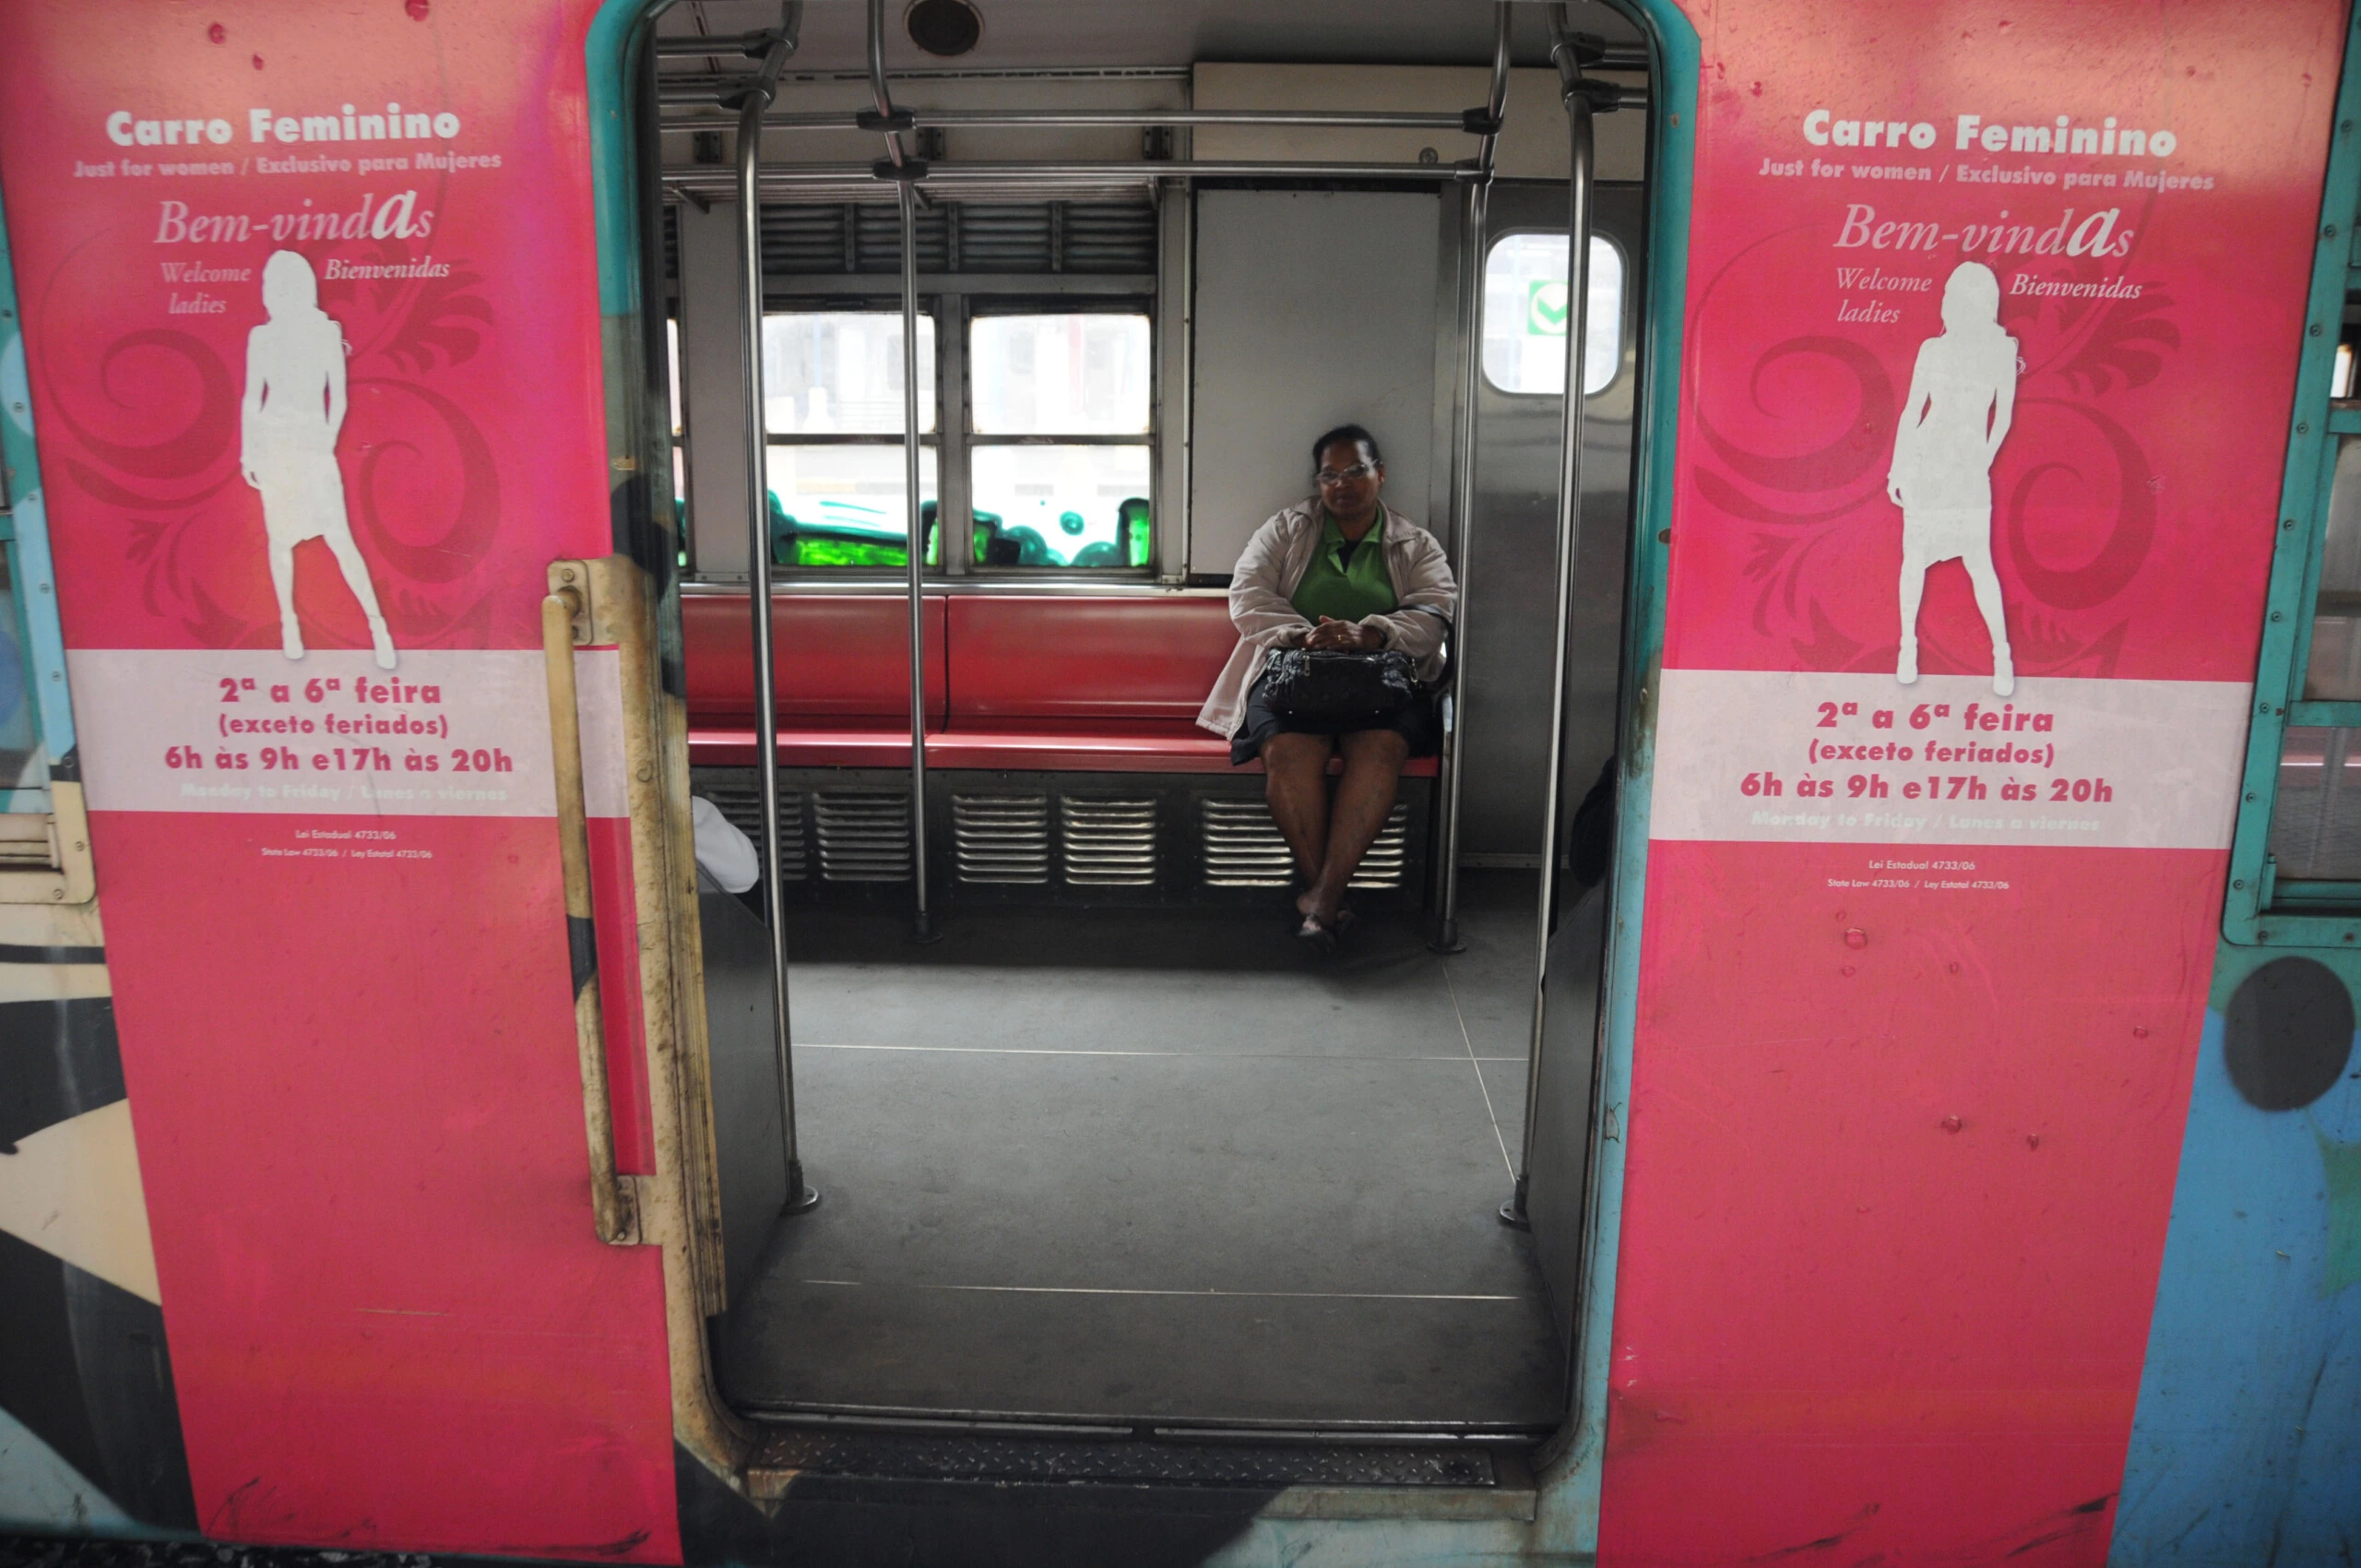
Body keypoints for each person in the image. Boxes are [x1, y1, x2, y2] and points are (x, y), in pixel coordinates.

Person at [1196, 424, 1457, 950]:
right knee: (1288, 752)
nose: (1343, 484)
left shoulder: (1414, 542)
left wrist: (1374, 633)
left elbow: (1437, 609)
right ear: (1317, 483)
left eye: (1356, 471)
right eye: (1329, 475)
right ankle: (1330, 901)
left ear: (1380, 474)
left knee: (1382, 748)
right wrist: (1302, 636)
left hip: (1381, 680)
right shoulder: (1286, 529)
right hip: (1295, 674)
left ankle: (1318, 901)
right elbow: (1247, 595)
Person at [242, 249, 397, 671]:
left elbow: (340, 396)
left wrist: (325, 442)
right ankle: (289, 625)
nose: (269, 293)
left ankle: (377, 626)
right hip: (276, 448)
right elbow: (253, 399)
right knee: (280, 542)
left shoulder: (326, 331)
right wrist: (248, 452)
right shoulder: (261, 337)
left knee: (340, 540)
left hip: (312, 446)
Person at [1888, 260, 2018, 696]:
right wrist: (1899, 468)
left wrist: (1982, 459)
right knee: (1915, 558)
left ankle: (2002, 653)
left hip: (1966, 469)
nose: (1946, 304)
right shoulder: (1932, 349)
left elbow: (2003, 417)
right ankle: (1908, 644)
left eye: (1952, 296)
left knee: (1979, 562)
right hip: (1928, 464)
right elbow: (1912, 412)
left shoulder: (2002, 350)